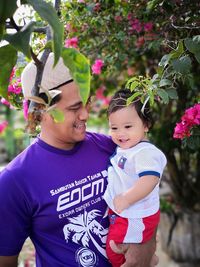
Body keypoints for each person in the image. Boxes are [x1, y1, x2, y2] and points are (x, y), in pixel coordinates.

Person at [0, 53, 157, 267]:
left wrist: (145, 248)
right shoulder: (15, 181)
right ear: (40, 111)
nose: (85, 114)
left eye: (87, 102)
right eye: (74, 108)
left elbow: (148, 194)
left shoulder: (110, 148)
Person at [103, 89, 167, 267]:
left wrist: (126, 198)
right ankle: (148, 258)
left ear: (145, 125)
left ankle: (145, 260)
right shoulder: (129, 148)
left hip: (135, 215)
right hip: (127, 213)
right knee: (120, 247)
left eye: (128, 127)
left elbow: (149, 180)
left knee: (113, 250)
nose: (120, 133)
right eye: (114, 128)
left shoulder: (145, 152)